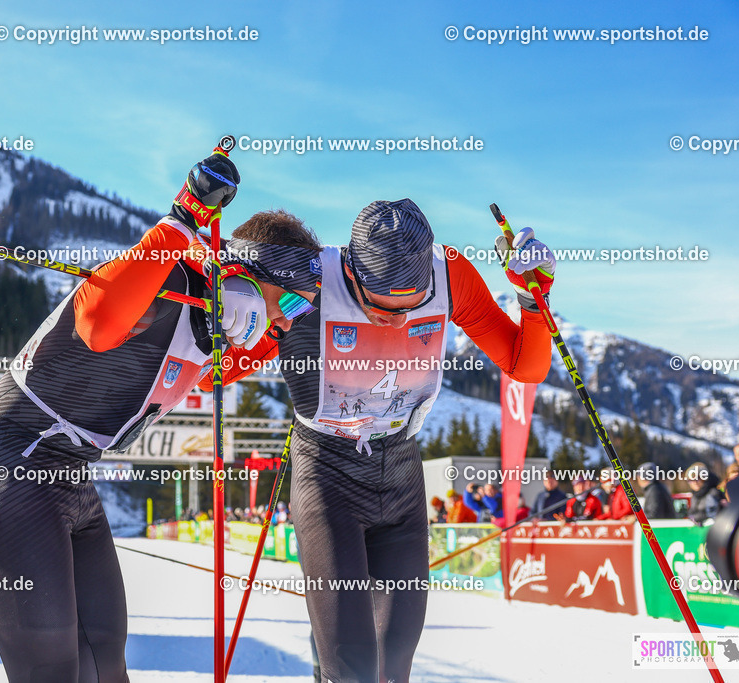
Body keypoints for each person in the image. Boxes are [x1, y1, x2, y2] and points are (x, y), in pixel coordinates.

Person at [0, 149, 321, 683]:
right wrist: (184, 218)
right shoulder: (166, 283)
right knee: (50, 667)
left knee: (104, 659)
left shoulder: (216, 331)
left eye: (302, 311)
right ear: (249, 280)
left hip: (69, 478)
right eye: (290, 305)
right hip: (8, 462)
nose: (290, 323)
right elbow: (98, 323)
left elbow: (241, 359)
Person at [208, 198, 554, 681]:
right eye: (378, 309)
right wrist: (221, 317)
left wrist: (534, 301)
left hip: (401, 477)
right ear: (351, 274)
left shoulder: (451, 275)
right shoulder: (308, 279)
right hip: (326, 475)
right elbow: (215, 375)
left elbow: (528, 366)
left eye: (409, 310)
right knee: (353, 669)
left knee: (394, 667)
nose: (394, 321)